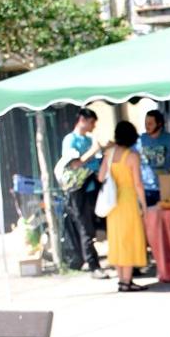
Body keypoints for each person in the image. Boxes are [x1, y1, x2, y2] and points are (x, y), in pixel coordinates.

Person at [98, 121, 149, 292]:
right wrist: (144, 205)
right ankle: (127, 281)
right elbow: (138, 184)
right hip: (128, 200)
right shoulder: (132, 156)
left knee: (117, 239)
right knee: (129, 238)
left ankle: (121, 279)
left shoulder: (109, 154)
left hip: (112, 202)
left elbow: (100, 177)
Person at [59, 108, 108, 278]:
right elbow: (75, 164)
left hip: (94, 186)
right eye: (92, 122)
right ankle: (93, 265)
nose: (94, 126)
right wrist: (93, 150)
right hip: (78, 190)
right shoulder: (70, 140)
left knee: (99, 224)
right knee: (85, 227)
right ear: (83, 120)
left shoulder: (89, 139)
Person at [139, 109, 170, 207]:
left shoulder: (169, 139)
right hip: (145, 188)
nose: (146, 126)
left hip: (165, 187)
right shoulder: (141, 139)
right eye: (145, 123)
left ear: (159, 124)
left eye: (150, 123)